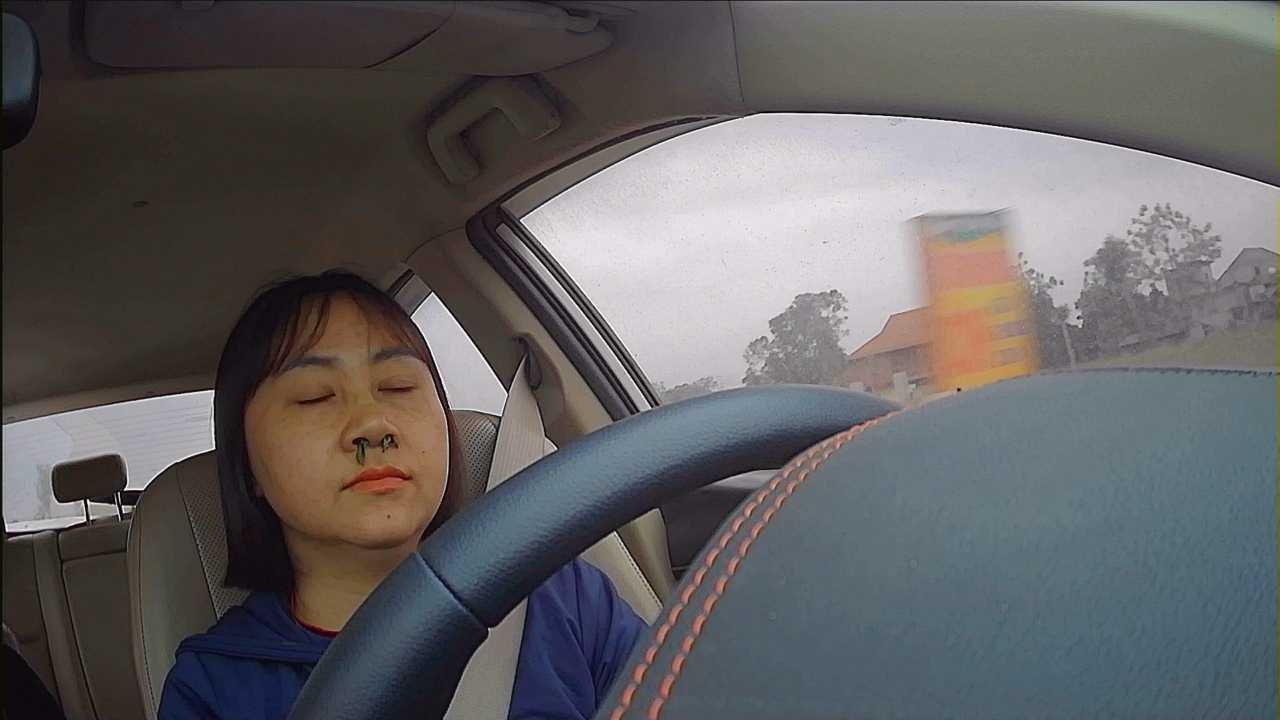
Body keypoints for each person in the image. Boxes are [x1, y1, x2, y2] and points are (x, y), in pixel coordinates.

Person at [159, 271, 643, 719]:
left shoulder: (561, 598)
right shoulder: (212, 688)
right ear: (249, 469)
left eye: (398, 386)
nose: (374, 425)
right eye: (314, 397)